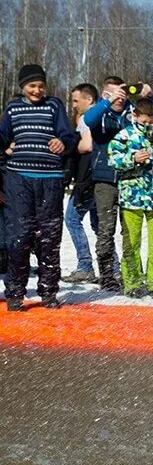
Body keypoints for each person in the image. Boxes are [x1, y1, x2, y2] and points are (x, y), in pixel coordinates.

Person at [0, 64, 79, 311]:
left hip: (50, 178)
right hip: (18, 178)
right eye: (32, 86)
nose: (37, 90)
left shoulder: (54, 105)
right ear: (23, 87)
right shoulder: (13, 108)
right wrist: (4, 153)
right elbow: (1, 139)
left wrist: (62, 142)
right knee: (19, 236)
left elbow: (69, 137)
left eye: (41, 86)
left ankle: (48, 292)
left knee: (49, 236)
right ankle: (14, 292)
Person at [84, 75, 153, 292]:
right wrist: (108, 101)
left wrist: (150, 93)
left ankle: (130, 276)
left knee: (129, 234)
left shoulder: (133, 114)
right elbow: (88, 120)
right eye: (115, 93)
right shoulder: (102, 114)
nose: (120, 97)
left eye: (123, 93)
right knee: (105, 230)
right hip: (106, 178)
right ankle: (106, 275)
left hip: (136, 185)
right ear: (105, 94)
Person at [106, 97, 153, 299]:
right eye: (144, 122)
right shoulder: (124, 136)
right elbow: (112, 159)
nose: (148, 125)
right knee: (131, 241)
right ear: (135, 116)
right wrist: (131, 159)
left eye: (151, 122)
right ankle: (132, 283)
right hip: (131, 198)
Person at [62, 83, 99, 284]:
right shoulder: (101, 117)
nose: (74, 104)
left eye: (77, 100)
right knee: (99, 225)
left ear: (89, 99)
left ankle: (85, 265)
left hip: (88, 180)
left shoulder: (89, 119)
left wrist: (70, 145)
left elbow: (88, 145)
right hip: (94, 179)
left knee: (72, 219)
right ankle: (113, 266)